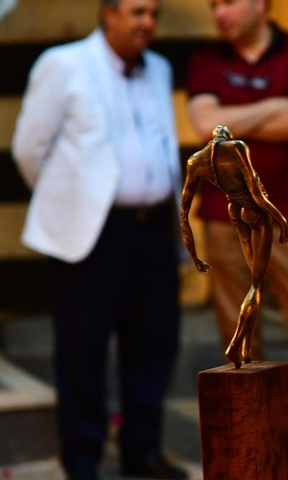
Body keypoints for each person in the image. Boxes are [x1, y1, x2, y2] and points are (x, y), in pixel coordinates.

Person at [11, 1, 187, 479]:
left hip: (152, 228)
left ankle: (142, 449)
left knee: (154, 343)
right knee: (82, 350)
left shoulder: (160, 69)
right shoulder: (63, 64)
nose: (147, 23)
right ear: (108, 14)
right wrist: (69, 201)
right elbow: (29, 149)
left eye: (153, 13)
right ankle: (83, 458)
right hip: (92, 233)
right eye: (136, 12)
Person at [186, 0, 288, 367]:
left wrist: (231, 124)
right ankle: (254, 424)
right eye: (214, 5)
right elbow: (205, 126)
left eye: (229, 3)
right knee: (239, 342)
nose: (219, 13)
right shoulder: (206, 60)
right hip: (224, 217)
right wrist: (278, 104)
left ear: (262, 4)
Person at [180, 125, 288, 368]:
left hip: (234, 211)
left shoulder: (196, 161)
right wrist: (280, 220)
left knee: (251, 285)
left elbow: (184, 213)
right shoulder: (236, 148)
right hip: (253, 210)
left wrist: (194, 255)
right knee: (256, 285)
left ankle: (246, 349)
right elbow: (255, 190)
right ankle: (236, 345)